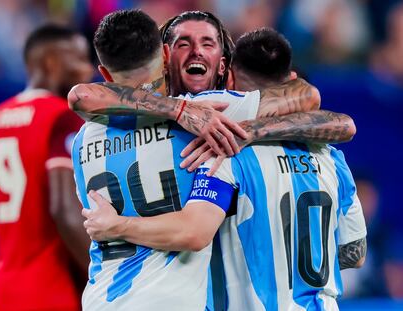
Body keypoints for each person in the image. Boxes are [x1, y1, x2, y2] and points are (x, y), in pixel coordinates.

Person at [71, 9, 356, 311]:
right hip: (169, 301)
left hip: (100, 298)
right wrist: (188, 113)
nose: (196, 51)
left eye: (208, 43)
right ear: (166, 55)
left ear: (104, 73)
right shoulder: (212, 111)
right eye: (184, 44)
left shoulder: (82, 140)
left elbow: (80, 96)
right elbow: (314, 102)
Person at [0, 24, 94, 311]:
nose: (88, 71)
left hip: (5, 288)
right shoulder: (61, 117)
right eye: (80, 59)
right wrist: (103, 278)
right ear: (52, 62)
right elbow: (63, 210)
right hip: (54, 289)